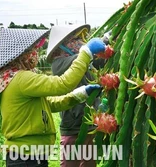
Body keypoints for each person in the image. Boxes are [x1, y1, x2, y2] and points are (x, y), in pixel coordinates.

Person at [0, 28, 106, 167]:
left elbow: (49, 104)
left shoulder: (9, 79)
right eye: (32, 50)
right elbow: (62, 84)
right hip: (27, 158)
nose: (35, 54)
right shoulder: (22, 79)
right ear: (20, 54)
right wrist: (86, 53)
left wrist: (79, 95)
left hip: (26, 155)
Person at [46, 24, 106, 167]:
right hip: (72, 125)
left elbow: (97, 60)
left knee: (89, 163)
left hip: (91, 123)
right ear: (62, 46)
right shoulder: (59, 63)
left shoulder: (83, 60)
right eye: (74, 40)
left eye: (80, 39)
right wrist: (88, 51)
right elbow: (78, 60)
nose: (79, 43)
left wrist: (108, 40)